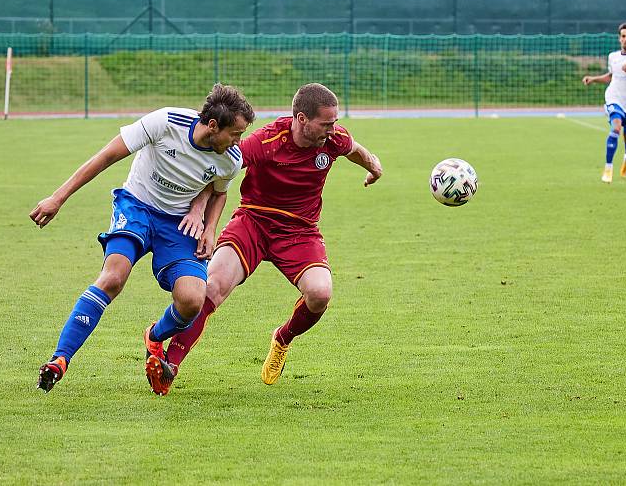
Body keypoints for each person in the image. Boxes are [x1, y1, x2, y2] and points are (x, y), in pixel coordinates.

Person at [144, 82, 383, 395]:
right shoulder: (265, 141)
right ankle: (170, 365)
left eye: (335, 122)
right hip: (253, 221)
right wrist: (199, 209)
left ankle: (282, 338)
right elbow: (219, 170)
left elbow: (354, 149)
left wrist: (373, 166)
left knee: (321, 294)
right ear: (301, 119)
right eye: (325, 123)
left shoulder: (333, 138)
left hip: (300, 230)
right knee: (212, 287)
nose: (332, 129)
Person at [30, 84, 255, 393]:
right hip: (136, 207)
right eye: (236, 133)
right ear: (213, 126)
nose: (239, 141)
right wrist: (58, 198)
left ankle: (155, 335)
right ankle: (60, 360)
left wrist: (210, 228)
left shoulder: (230, 157)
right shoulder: (165, 122)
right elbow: (106, 156)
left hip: (178, 226)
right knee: (113, 278)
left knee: (192, 301)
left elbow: (219, 192)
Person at [582, 22, 626, 183]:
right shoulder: (613, 56)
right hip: (614, 98)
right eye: (623, 36)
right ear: (619, 38)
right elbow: (611, 76)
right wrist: (593, 79)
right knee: (615, 127)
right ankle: (608, 168)